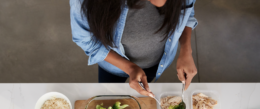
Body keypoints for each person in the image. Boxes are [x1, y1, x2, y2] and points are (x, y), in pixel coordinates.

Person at [70, 0, 198, 97]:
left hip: (156, 61)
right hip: (111, 65)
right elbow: (85, 39)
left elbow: (186, 11)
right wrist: (129, 67)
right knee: (109, 95)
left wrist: (186, 51)